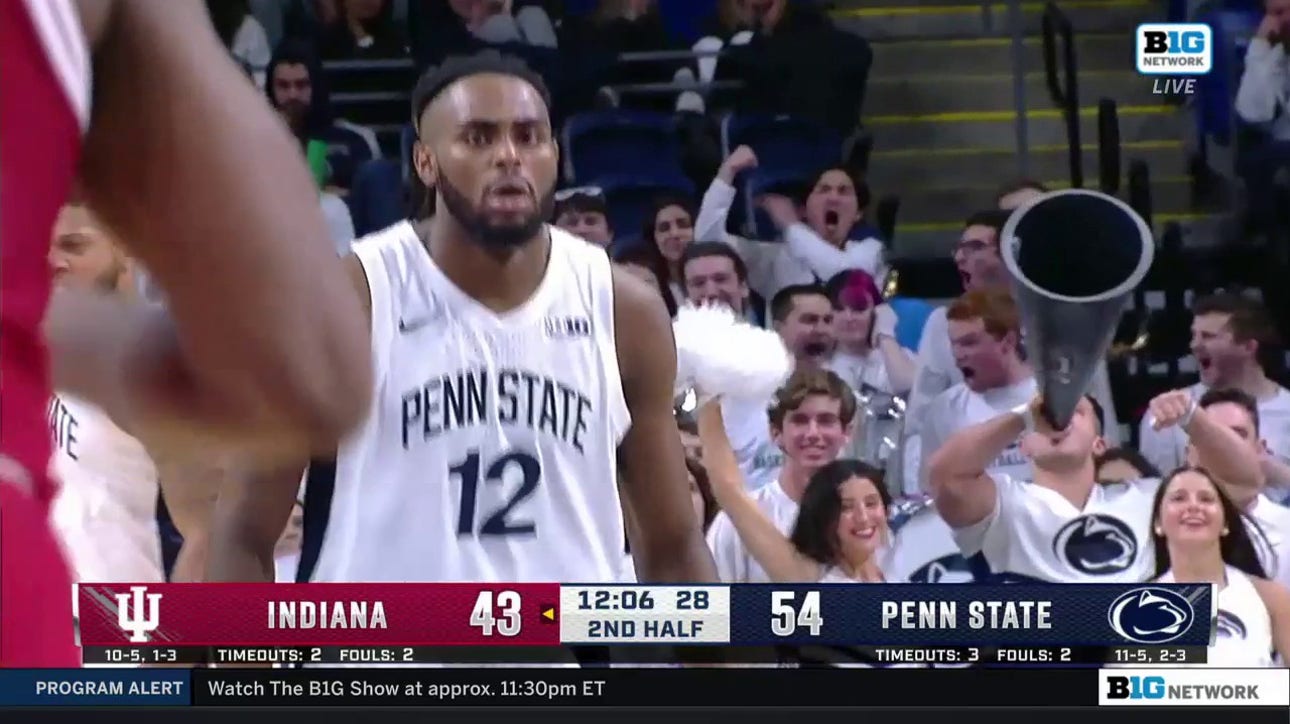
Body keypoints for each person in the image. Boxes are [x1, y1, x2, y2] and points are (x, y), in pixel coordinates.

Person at [207, 52, 716, 592]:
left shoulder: (622, 309)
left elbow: (673, 547)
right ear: (426, 163)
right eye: (478, 138)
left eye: (529, 136)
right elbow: (243, 533)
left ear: (555, 155)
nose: (509, 157)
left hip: (560, 648)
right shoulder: (350, 299)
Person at [1, 0, 371, 667]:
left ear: (128, 251)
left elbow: (207, 532)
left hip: (97, 651)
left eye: (74, 245)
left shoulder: (126, 363)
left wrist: (169, 669)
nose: (50, 260)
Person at [927, 389, 1262, 582]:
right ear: (1024, 446)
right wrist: (1023, 417)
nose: (1059, 419)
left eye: (1078, 412)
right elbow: (945, 476)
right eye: (1047, 415)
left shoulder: (1150, 497)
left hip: (1139, 672)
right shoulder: (1002, 503)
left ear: (1099, 444)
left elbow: (1244, 481)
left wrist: (1193, 417)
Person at [698, 398, 889, 583]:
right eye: (846, 507)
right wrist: (709, 399)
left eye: (871, 503)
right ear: (826, 522)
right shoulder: (812, 579)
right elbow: (728, 489)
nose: (863, 517)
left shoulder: (894, 567)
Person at [705, 369, 857, 582]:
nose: (813, 433)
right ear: (776, 433)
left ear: (847, 432)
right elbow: (711, 602)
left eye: (825, 421)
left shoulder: (866, 519)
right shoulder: (736, 521)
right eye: (800, 420)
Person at [1138, 293, 1290, 496]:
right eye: (1194, 335)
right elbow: (1152, 492)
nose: (1194, 345)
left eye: (1208, 336)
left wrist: (1271, 471)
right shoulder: (1171, 410)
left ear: (1248, 347)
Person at [1150, 466, 1290, 666]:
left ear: (1225, 524)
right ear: (1158, 523)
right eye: (1179, 498)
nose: (1193, 506)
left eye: (1206, 499)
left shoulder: (1271, 598)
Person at [915, 289, 1035, 493]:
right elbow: (930, 490)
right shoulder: (945, 409)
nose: (958, 355)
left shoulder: (1051, 398)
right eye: (954, 344)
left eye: (969, 342)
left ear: (1008, 342)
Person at [1187, 388, 1290, 589]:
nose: (1223, 448)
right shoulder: (1156, 528)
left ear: (1260, 450)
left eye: (1237, 435)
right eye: (1211, 436)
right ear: (1189, 453)